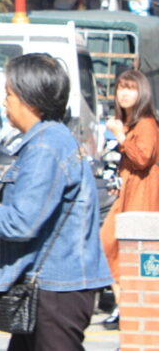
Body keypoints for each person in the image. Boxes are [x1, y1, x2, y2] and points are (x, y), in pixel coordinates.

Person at [0, 53, 111, 351]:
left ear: (30, 99)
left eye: (9, 94)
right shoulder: (51, 139)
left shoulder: (46, 146)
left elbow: (22, 222)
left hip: (56, 290)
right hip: (50, 286)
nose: (5, 103)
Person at [98, 68, 159, 328]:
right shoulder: (134, 123)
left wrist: (121, 136)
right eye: (120, 87)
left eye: (130, 88)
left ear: (142, 92)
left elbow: (143, 158)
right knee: (109, 246)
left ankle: (130, 307)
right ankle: (124, 305)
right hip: (128, 195)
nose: (123, 93)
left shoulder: (146, 123)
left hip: (142, 198)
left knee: (129, 251)